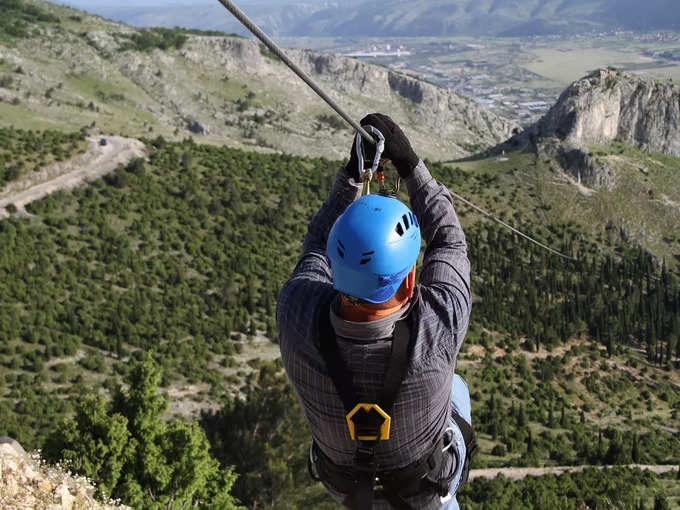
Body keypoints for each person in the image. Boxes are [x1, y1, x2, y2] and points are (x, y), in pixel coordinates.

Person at [277, 113, 474, 509]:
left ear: (337, 262)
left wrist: (354, 175)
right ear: (406, 281)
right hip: (422, 488)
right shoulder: (437, 327)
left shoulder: (296, 313)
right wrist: (410, 164)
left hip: (346, 485)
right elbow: (450, 242)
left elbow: (316, 244)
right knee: (457, 388)